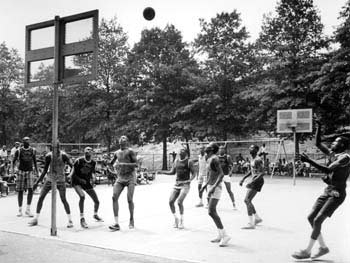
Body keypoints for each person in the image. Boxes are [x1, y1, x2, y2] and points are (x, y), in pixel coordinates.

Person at [292, 123, 350, 260]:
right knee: (311, 218)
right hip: (328, 191)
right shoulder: (332, 154)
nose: (332, 144)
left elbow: (328, 169)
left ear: (342, 146)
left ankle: (307, 251)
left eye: (336, 142)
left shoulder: (345, 157)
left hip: (337, 194)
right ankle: (323, 248)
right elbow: (318, 143)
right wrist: (318, 126)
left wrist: (308, 160)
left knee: (318, 220)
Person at [28, 142, 73, 228]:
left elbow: (72, 166)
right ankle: (36, 218)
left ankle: (70, 220)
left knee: (63, 199)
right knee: (41, 197)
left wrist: (69, 176)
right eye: (54, 147)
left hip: (60, 179)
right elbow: (45, 170)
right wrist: (37, 182)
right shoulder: (49, 156)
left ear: (59, 147)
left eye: (57, 147)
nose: (55, 148)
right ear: (52, 147)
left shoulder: (64, 155)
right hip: (50, 179)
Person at [200, 142, 231, 247]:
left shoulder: (215, 159)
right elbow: (211, 174)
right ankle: (220, 234)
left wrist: (213, 187)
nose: (206, 146)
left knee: (211, 211)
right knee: (211, 212)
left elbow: (221, 174)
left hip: (216, 187)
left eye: (209, 145)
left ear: (212, 149)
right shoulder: (208, 158)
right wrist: (206, 185)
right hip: (210, 186)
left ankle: (225, 236)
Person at [109, 136, 138, 231]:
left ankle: (131, 219)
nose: (122, 141)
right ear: (119, 142)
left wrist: (123, 164)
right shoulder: (116, 152)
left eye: (124, 140)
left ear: (127, 142)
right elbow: (111, 163)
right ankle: (116, 223)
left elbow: (136, 164)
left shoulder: (130, 151)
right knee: (114, 197)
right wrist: (110, 167)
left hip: (130, 177)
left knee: (129, 199)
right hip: (121, 177)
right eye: (121, 140)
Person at [162, 148, 196, 229]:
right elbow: (172, 172)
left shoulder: (189, 162)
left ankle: (181, 220)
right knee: (170, 202)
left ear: (186, 153)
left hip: (185, 185)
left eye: (182, 150)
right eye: (179, 150)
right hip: (177, 184)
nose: (180, 151)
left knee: (179, 202)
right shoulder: (176, 161)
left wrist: (189, 180)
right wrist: (162, 172)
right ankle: (176, 219)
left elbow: (194, 173)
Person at [69, 147, 103, 229]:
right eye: (86, 149)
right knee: (82, 196)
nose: (88, 151)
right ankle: (82, 218)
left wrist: (93, 177)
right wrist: (73, 178)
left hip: (86, 182)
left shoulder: (93, 163)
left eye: (90, 150)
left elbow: (92, 172)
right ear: (84, 152)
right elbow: (73, 173)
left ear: (92, 153)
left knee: (97, 201)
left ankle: (95, 214)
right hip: (76, 181)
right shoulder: (79, 160)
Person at [12, 137, 38, 217]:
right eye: (26, 140)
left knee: (30, 189)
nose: (27, 141)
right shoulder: (19, 151)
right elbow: (13, 161)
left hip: (30, 171)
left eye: (28, 140)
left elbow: (34, 161)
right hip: (21, 171)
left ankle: (28, 209)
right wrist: (13, 170)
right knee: (20, 190)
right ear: (23, 142)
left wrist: (37, 171)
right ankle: (20, 210)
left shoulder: (33, 150)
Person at [239, 145, 264, 229]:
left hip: (257, 181)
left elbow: (262, 173)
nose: (250, 149)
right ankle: (257, 218)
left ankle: (251, 223)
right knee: (248, 200)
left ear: (256, 150)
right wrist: (243, 178)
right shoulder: (252, 159)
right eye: (249, 147)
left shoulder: (258, 159)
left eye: (252, 148)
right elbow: (251, 171)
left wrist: (252, 182)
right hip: (254, 180)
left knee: (247, 200)